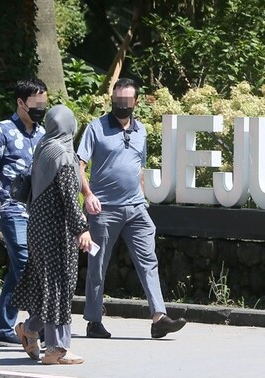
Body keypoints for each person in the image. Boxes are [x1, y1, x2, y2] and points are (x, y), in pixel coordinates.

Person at [78, 77, 186, 339]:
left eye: (126, 101)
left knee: (148, 260)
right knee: (98, 266)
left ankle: (159, 317)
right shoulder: (96, 128)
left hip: (136, 208)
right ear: (112, 99)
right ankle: (94, 321)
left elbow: (139, 167)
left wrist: (143, 197)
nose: (121, 104)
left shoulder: (141, 131)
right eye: (117, 100)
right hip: (103, 210)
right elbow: (78, 166)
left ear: (135, 102)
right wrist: (88, 195)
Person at [12, 104, 91, 365]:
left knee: (48, 286)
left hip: (37, 227)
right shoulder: (65, 155)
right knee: (60, 287)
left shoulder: (43, 147)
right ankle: (57, 348)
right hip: (57, 231)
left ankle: (30, 328)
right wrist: (83, 229)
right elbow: (69, 198)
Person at [0, 78, 47, 346]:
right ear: (20, 103)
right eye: (36, 103)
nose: (41, 107)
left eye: (44, 102)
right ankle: (39, 325)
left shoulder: (43, 134)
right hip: (10, 210)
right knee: (26, 265)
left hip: (36, 212)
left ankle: (2, 329)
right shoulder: (1, 132)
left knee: (15, 272)